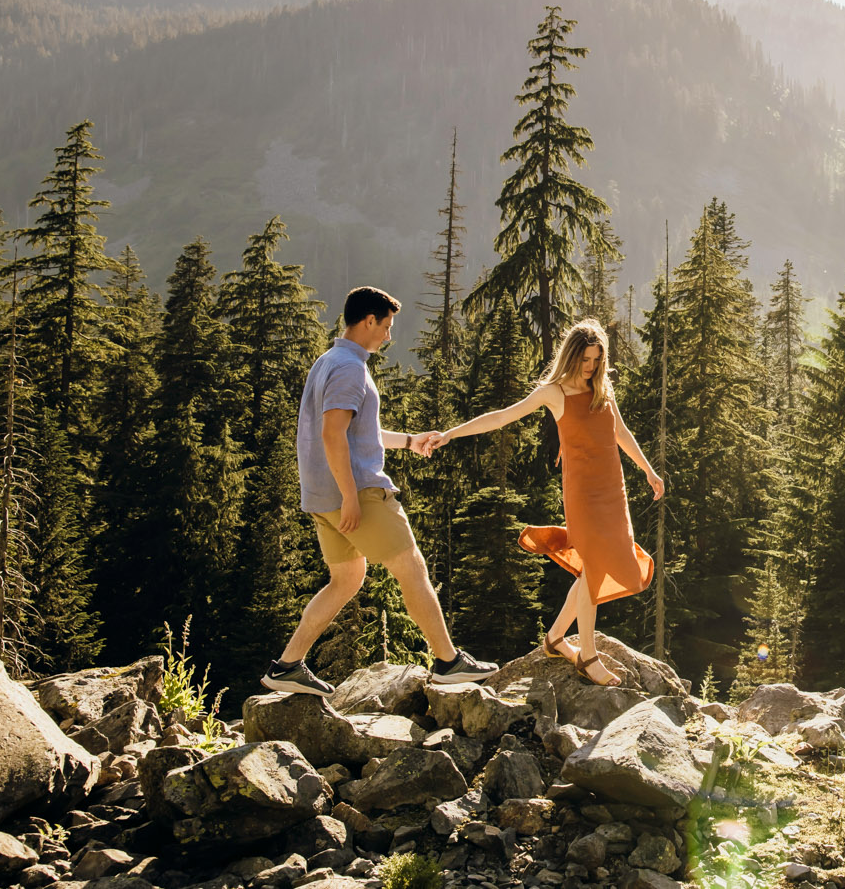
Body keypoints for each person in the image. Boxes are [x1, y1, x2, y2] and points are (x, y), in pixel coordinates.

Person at [260, 285, 498, 695]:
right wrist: (351, 496)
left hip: (321, 498)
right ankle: (447, 661)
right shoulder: (351, 368)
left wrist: (409, 440)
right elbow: (333, 434)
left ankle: (286, 666)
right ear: (368, 321)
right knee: (413, 568)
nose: (388, 336)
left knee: (346, 578)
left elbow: (355, 432)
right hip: (358, 494)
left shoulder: (328, 361)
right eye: (386, 326)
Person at [439, 318, 663, 686]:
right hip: (583, 495)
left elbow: (619, 432)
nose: (591, 367)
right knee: (592, 568)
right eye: (586, 359)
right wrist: (451, 434)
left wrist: (649, 471)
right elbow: (501, 417)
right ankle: (588, 657)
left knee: (600, 567)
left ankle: (555, 639)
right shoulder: (554, 392)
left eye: (597, 360)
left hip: (612, 491)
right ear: (572, 355)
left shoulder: (602, 388)